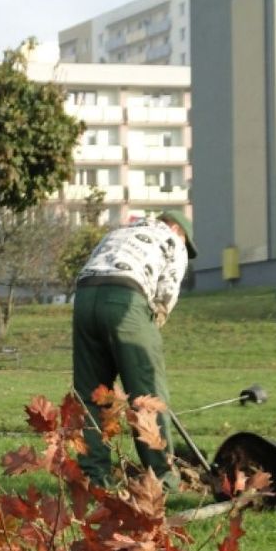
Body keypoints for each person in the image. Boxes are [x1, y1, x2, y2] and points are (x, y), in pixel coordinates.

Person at [72, 209, 197, 491]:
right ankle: (162, 478)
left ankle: (94, 478)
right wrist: (153, 325)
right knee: (147, 394)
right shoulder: (172, 240)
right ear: (180, 231)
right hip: (126, 298)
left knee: (92, 393)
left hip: (84, 298)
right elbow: (166, 293)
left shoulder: (117, 232)